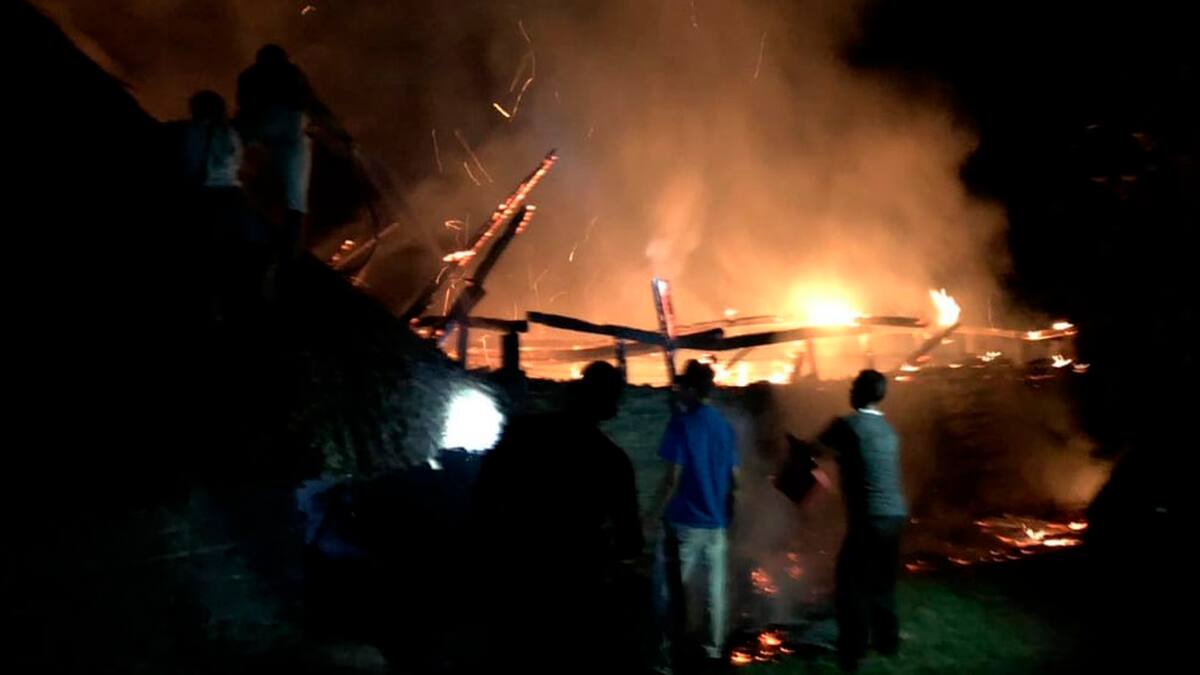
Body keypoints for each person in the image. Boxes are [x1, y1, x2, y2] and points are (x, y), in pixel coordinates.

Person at [473, 361, 643, 672]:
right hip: (576, 582)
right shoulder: (612, 460)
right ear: (610, 406)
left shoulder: (523, 433)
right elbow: (630, 540)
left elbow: (485, 497)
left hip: (517, 574)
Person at [817, 369, 907, 672]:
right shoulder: (888, 430)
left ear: (860, 392)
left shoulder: (846, 425)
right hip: (895, 515)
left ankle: (853, 650)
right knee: (883, 581)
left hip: (869, 517)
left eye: (853, 386)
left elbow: (814, 450)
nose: (849, 390)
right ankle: (888, 641)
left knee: (850, 583)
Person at [650, 360, 739, 665]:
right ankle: (713, 652)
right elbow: (736, 480)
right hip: (716, 525)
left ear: (690, 389)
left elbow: (672, 478)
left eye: (681, 387)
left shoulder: (682, 425)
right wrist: (727, 516)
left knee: (667, 591)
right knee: (715, 592)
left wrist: (651, 516)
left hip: (683, 524)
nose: (678, 391)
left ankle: (664, 656)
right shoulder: (725, 428)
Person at [236, 44, 328, 252]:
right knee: (296, 198)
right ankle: (292, 248)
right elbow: (312, 103)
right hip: (290, 133)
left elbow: (243, 108)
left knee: (235, 180)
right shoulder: (292, 73)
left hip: (261, 131)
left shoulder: (249, 77)